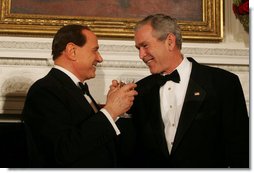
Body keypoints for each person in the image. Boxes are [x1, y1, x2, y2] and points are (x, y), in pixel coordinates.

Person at [118, 14, 249, 168]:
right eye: (138, 49)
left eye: (145, 46)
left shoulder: (223, 83)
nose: (141, 55)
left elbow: (241, 150)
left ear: (170, 41)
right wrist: (119, 111)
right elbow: (130, 153)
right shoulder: (140, 91)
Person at [21, 24, 138, 168]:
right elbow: (61, 151)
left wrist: (114, 110)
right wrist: (110, 111)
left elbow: (94, 140)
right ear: (72, 51)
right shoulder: (44, 90)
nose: (100, 58)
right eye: (95, 51)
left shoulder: (74, 88)